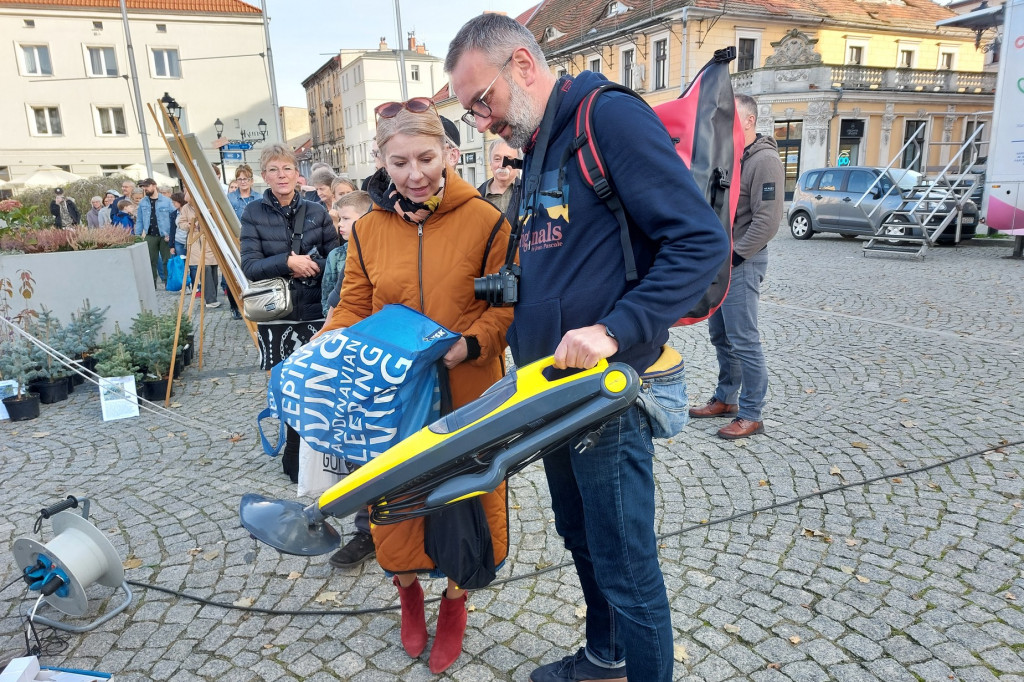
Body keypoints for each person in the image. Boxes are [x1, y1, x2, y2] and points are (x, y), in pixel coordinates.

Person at [447, 14, 729, 682]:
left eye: (480, 102)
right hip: (552, 392)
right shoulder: (542, 142)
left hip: (606, 393)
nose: (481, 121)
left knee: (627, 563)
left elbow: (699, 242)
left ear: (521, 64)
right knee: (582, 540)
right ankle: (606, 658)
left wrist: (612, 329)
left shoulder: (609, 119)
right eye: (469, 113)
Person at [320, 100, 513, 674]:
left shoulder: (487, 221)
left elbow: (504, 310)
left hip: (470, 386)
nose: (415, 173)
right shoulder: (369, 230)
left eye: (426, 158)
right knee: (395, 501)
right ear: (381, 161)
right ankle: (408, 594)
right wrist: (324, 350)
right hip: (393, 394)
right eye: (399, 161)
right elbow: (354, 304)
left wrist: (471, 343)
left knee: (469, 496)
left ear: (450, 155)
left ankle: (456, 602)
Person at [240, 143, 338, 482]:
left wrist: (309, 265)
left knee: (316, 385)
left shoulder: (316, 211)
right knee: (287, 387)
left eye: (287, 169)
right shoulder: (253, 212)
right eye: (273, 170)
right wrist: (287, 263)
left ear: (298, 174)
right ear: (264, 175)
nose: (281, 176)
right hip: (277, 317)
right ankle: (294, 451)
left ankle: (317, 452)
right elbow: (250, 266)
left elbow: (338, 261)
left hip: (314, 312)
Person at [689, 95, 784, 439]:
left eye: (731, 119)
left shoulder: (765, 160)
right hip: (723, 261)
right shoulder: (733, 156)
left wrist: (736, 255)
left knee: (744, 339)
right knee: (720, 336)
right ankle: (727, 399)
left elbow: (769, 220)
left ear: (748, 120)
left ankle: (752, 413)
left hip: (741, 261)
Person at [321, 190, 370, 318]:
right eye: (340, 219)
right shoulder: (336, 255)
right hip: (342, 324)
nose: (340, 224)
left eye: (346, 218)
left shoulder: (380, 252)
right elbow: (327, 298)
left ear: (367, 218)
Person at [178, 190, 220, 307]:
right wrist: (189, 225)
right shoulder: (186, 208)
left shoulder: (208, 204)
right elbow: (181, 223)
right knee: (204, 268)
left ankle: (213, 296)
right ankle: (210, 300)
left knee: (213, 268)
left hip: (210, 240)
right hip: (196, 241)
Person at [134, 178, 175, 286]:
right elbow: (139, 220)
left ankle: (168, 283)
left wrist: (172, 235)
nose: (145, 189)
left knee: (167, 260)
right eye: (143, 187)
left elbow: (174, 218)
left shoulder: (167, 201)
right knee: (150, 260)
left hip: (165, 235)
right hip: (150, 235)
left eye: (146, 186)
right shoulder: (143, 202)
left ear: (154, 186)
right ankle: (152, 283)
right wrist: (137, 236)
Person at [477, 139, 521, 217]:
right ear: (490, 164)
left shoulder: (528, 194)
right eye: (497, 159)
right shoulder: (476, 197)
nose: (502, 165)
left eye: (508, 159)